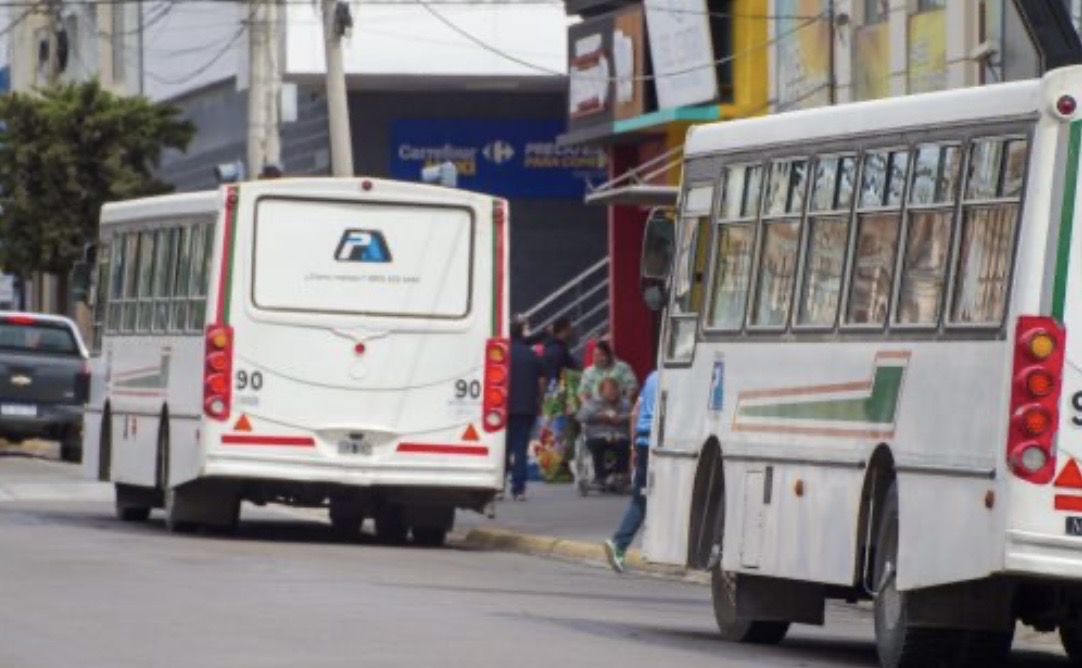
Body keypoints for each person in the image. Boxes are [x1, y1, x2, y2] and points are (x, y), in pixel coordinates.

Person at [603, 367, 659, 573]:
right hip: (658, 443)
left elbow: (635, 413)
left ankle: (620, 545)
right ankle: (619, 543)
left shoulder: (651, 378)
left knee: (641, 498)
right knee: (644, 500)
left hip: (643, 441)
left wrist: (633, 447)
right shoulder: (676, 377)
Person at [506, 317, 545, 501]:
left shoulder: (503, 353)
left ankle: (498, 486)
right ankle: (519, 488)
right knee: (520, 448)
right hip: (526, 407)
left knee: (503, 448)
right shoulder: (531, 355)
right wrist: (539, 400)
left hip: (503, 407)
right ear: (522, 333)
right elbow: (542, 379)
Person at [576, 377, 632, 491]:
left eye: (614, 389)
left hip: (619, 435)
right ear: (601, 392)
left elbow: (633, 416)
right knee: (596, 445)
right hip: (598, 434)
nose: (612, 393)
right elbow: (580, 416)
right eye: (609, 390)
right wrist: (598, 416)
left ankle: (620, 476)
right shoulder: (592, 403)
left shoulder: (625, 403)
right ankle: (600, 477)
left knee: (623, 444)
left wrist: (620, 418)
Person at [542, 315, 580, 386]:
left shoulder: (557, 348)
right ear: (563, 330)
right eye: (569, 328)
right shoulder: (557, 351)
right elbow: (554, 378)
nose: (571, 331)